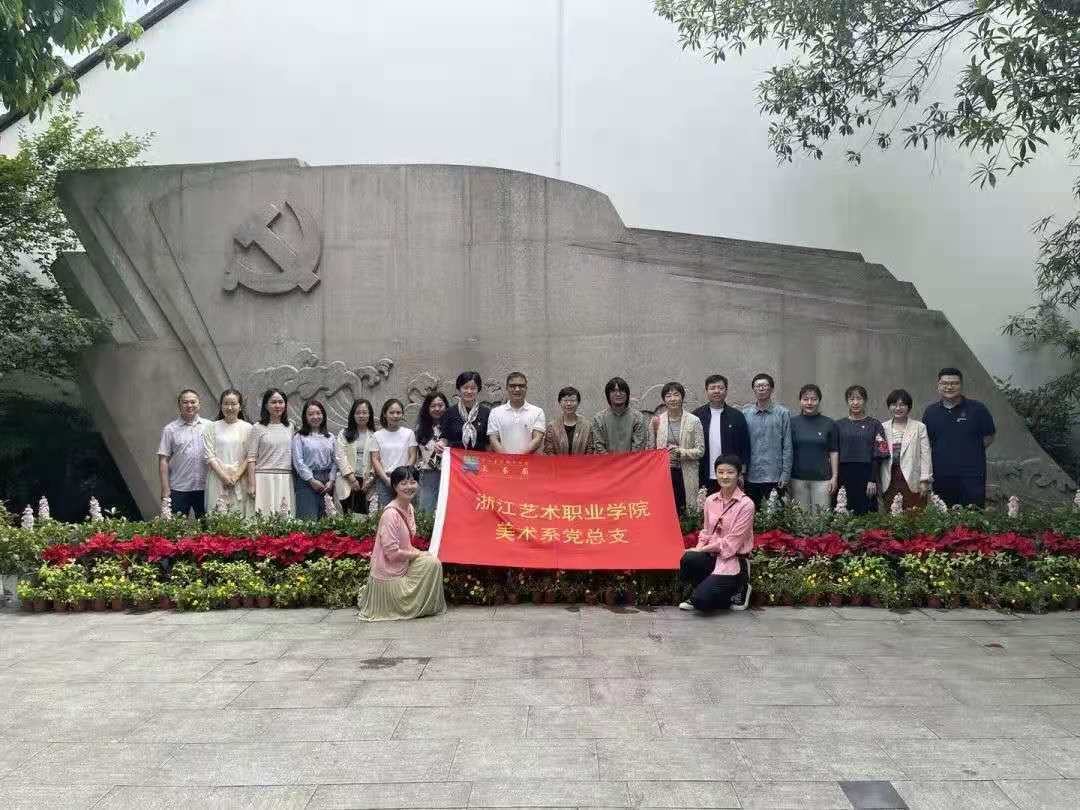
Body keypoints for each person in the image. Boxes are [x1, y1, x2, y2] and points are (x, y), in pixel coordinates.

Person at [357, 466, 447, 621]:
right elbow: (392, 554)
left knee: (433, 563)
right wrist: (417, 554)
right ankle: (405, 606)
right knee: (430, 562)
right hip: (388, 574)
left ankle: (422, 606)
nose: (409, 487)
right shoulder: (390, 514)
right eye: (403, 483)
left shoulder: (409, 507)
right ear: (394, 486)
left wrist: (421, 553)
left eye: (412, 482)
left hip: (403, 564)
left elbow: (407, 545)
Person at [678, 454, 755, 612]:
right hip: (713, 558)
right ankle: (705, 590)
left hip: (733, 561)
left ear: (739, 475)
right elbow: (706, 532)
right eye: (720, 472)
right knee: (689, 559)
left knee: (702, 603)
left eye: (730, 472)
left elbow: (731, 544)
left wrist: (701, 550)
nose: (724, 476)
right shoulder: (710, 501)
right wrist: (697, 549)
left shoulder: (746, 505)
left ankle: (740, 587)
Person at [922, 367, 996, 507]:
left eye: (954, 383)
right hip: (941, 474)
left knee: (973, 513)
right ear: (938, 385)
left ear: (961, 385)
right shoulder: (930, 412)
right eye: (945, 383)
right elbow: (928, 442)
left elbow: (989, 436)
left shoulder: (978, 409)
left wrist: (970, 450)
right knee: (944, 513)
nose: (949, 387)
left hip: (972, 474)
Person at [834, 385, 890, 515]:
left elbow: (879, 454)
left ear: (865, 401)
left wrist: (872, 479)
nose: (855, 402)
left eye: (859, 398)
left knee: (866, 513)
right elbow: (833, 452)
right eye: (851, 399)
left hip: (867, 474)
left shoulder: (875, 424)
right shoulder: (838, 425)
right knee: (843, 511)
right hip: (843, 474)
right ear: (847, 401)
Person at [157, 389, 212, 518]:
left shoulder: (210, 426)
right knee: (176, 527)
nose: (189, 405)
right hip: (179, 488)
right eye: (185, 402)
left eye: (193, 402)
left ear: (199, 404)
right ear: (179, 405)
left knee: (208, 527)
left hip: (206, 487)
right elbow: (163, 460)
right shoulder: (170, 429)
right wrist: (165, 488)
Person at [693, 374, 751, 495]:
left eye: (720, 388)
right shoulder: (697, 416)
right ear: (706, 391)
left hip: (730, 475)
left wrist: (742, 473)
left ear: (726, 390)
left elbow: (745, 446)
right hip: (704, 474)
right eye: (712, 388)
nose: (716, 391)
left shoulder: (737, 416)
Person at [741, 373, 792, 509]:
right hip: (751, 475)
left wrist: (785, 474)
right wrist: (741, 472)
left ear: (772, 389)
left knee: (775, 514)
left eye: (765, 385)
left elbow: (787, 446)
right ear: (753, 389)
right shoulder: (745, 414)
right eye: (758, 386)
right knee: (752, 513)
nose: (761, 388)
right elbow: (742, 445)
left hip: (775, 475)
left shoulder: (782, 413)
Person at [653, 382, 705, 515]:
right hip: (665, 473)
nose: (673, 399)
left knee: (687, 509)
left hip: (686, 471)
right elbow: (651, 449)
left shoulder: (694, 421)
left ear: (682, 397)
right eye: (668, 396)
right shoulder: (657, 421)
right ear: (664, 400)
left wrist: (681, 452)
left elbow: (700, 450)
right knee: (666, 509)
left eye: (676, 394)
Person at [788, 384, 839, 512]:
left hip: (823, 480)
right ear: (800, 401)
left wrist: (834, 477)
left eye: (813, 399)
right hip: (797, 479)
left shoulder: (829, 423)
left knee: (821, 518)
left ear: (819, 401)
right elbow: (787, 450)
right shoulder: (792, 423)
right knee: (799, 518)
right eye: (805, 399)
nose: (809, 403)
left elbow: (833, 452)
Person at [203, 389, 253, 515]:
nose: (229, 407)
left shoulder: (248, 428)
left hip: (240, 479)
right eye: (226, 403)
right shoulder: (211, 427)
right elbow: (209, 456)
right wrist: (224, 477)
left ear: (240, 407)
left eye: (233, 404)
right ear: (221, 406)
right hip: (217, 478)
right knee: (217, 515)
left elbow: (250, 456)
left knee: (239, 517)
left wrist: (235, 477)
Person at [880, 389, 932, 510]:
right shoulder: (882, 427)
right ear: (889, 406)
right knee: (891, 513)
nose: (898, 408)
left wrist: (924, 480)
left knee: (915, 513)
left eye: (902, 404)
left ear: (909, 407)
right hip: (890, 477)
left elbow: (925, 455)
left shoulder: (919, 427)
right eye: (894, 404)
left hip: (913, 477)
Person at [246, 388, 295, 516]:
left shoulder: (290, 426)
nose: (277, 405)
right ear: (266, 405)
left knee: (285, 518)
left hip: (285, 478)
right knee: (264, 518)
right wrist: (251, 484)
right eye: (273, 402)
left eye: (281, 402)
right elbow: (251, 458)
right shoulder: (258, 427)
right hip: (264, 479)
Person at [292, 399, 337, 519]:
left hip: (327, 483)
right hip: (307, 481)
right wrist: (311, 480)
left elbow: (335, 461)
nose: (315, 417)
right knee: (308, 520)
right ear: (305, 417)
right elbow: (298, 462)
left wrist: (331, 480)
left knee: (327, 521)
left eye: (318, 413)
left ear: (323, 415)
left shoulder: (330, 437)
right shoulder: (299, 437)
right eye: (311, 414)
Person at [371, 398, 419, 510]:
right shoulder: (377, 435)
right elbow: (375, 459)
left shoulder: (409, 433)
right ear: (385, 414)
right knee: (385, 511)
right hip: (385, 480)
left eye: (398, 412)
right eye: (391, 412)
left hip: (405, 481)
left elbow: (413, 455)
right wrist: (386, 479)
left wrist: (405, 477)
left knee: (406, 511)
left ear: (402, 414)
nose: (395, 415)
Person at [335, 398, 377, 515]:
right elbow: (340, 457)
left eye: (364, 412)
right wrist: (352, 479)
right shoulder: (344, 434)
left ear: (370, 415)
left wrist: (370, 480)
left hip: (366, 482)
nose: (361, 415)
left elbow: (377, 459)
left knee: (362, 516)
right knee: (344, 515)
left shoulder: (375, 435)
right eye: (358, 413)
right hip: (347, 479)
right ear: (353, 415)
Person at [487, 372, 545, 454]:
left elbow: (537, 439)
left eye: (521, 386)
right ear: (507, 388)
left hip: (529, 461)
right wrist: (508, 459)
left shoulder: (537, 412)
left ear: (526, 388)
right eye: (512, 386)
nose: (517, 389)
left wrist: (518, 458)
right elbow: (493, 439)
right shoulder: (495, 412)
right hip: (504, 461)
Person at [591, 377, 650, 453]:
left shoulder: (638, 418)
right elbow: (599, 446)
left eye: (622, 391)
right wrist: (611, 460)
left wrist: (627, 460)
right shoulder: (598, 419)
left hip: (632, 460)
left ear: (627, 394)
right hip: (606, 460)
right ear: (608, 395)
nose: (618, 394)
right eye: (614, 391)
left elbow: (638, 447)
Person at [415, 391, 450, 513]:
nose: (437, 409)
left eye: (440, 405)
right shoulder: (420, 429)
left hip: (449, 474)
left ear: (446, 406)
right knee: (426, 511)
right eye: (433, 406)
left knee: (447, 511)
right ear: (427, 408)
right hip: (428, 475)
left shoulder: (453, 427)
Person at [444, 371, 491, 451]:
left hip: (480, 457)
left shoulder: (486, 413)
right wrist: (441, 443)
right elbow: (444, 437)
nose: (469, 391)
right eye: (465, 388)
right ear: (459, 389)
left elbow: (488, 442)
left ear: (478, 390)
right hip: (456, 458)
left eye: (473, 388)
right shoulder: (450, 412)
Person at [543, 386, 595, 455]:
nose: (569, 404)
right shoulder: (552, 426)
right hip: (557, 462)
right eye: (565, 400)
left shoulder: (587, 426)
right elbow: (549, 451)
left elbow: (590, 450)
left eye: (572, 400)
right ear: (560, 402)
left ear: (578, 403)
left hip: (582, 462)